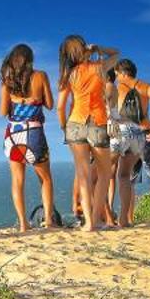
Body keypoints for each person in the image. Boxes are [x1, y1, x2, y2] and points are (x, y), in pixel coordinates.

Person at [57, 35, 122, 232]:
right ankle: (96, 219)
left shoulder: (68, 75)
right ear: (83, 50)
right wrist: (98, 48)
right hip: (97, 122)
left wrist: (64, 127)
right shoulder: (98, 67)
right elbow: (117, 54)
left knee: (83, 175)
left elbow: (61, 107)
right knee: (104, 174)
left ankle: (88, 223)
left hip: (75, 124)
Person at [0, 44, 58, 231]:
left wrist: (18, 101)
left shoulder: (7, 81)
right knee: (45, 179)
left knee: (17, 181)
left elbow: (2, 111)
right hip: (34, 132)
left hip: (13, 134)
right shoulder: (40, 76)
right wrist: (33, 100)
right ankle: (48, 221)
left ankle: (23, 224)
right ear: (30, 59)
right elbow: (49, 104)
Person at [107, 59, 150, 226]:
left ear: (123, 73)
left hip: (123, 133)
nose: (116, 77)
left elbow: (111, 113)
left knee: (110, 175)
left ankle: (113, 218)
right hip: (142, 133)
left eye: (116, 74)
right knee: (147, 176)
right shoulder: (146, 86)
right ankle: (127, 219)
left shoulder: (117, 88)